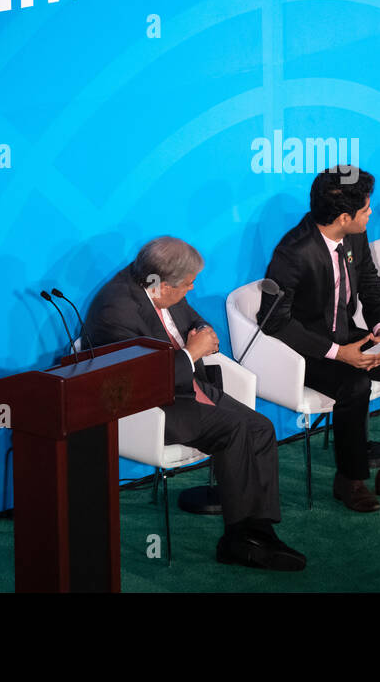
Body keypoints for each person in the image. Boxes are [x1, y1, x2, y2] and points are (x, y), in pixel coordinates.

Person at [85, 236, 305, 571]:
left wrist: (201, 330)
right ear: (164, 283)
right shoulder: (115, 310)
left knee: (260, 427)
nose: (191, 289)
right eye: (187, 284)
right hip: (153, 406)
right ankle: (236, 542)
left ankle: (258, 531)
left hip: (188, 388)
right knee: (235, 430)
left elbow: (193, 318)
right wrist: (191, 353)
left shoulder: (160, 284)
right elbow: (139, 380)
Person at [258, 166, 380, 512]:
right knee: (356, 384)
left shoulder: (355, 235)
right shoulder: (293, 252)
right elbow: (273, 322)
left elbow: (370, 283)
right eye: (365, 209)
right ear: (344, 216)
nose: (371, 213)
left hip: (350, 336)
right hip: (307, 352)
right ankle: (349, 480)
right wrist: (338, 353)